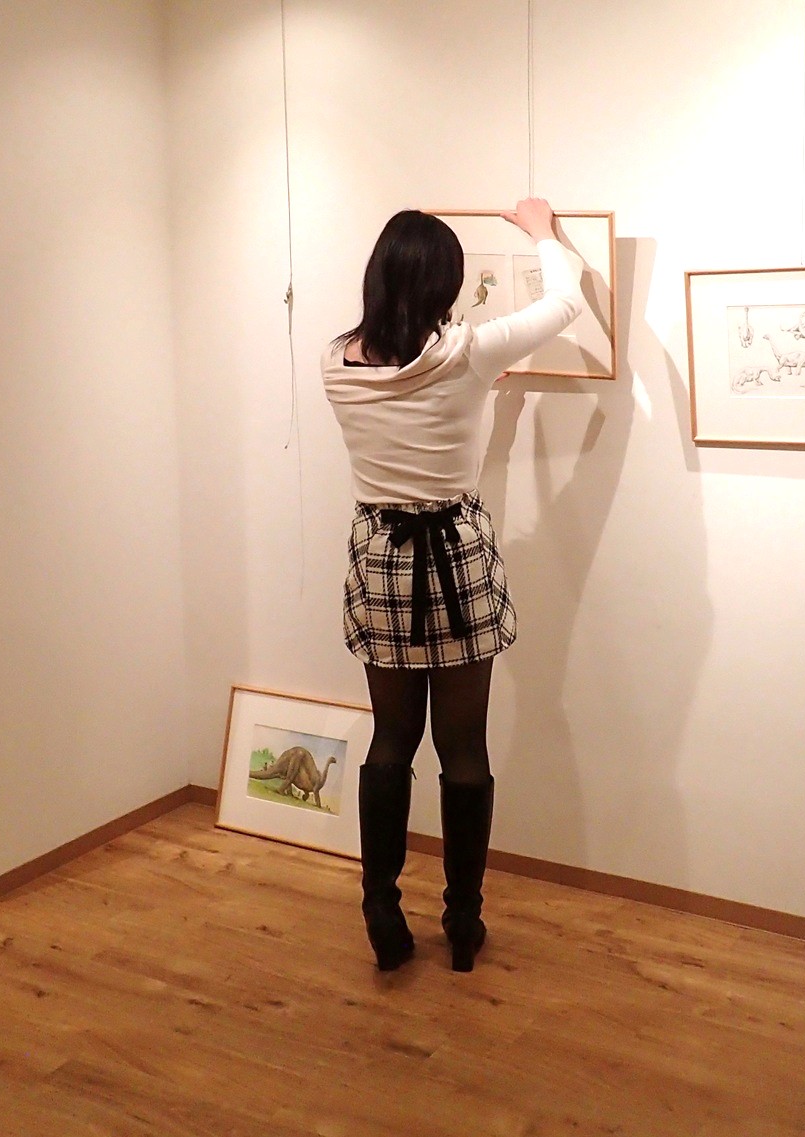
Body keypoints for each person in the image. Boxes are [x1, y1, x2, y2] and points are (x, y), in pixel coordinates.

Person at [322, 200, 583, 972]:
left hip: (381, 556)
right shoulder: (467, 353)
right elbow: (564, 304)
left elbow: (412, 408)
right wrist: (541, 232)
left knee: (390, 739)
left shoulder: (335, 362)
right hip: (455, 557)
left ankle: (379, 903)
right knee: (462, 746)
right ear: (445, 283)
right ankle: (462, 921)